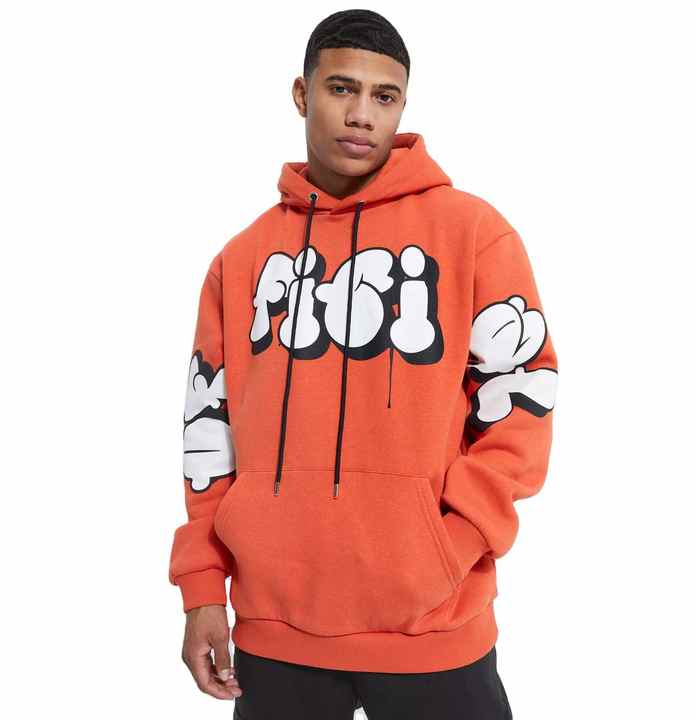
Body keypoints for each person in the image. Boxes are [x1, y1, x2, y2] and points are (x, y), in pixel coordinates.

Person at [169, 9, 558, 719]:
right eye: (341, 88)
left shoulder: (472, 233)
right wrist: (201, 589)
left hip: (434, 629)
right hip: (275, 630)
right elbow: (208, 428)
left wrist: (452, 546)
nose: (362, 115)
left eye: (385, 96)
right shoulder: (241, 260)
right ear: (302, 94)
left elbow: (521, 401)